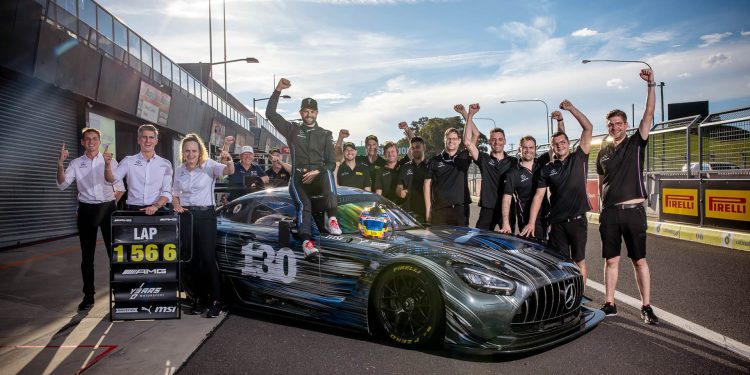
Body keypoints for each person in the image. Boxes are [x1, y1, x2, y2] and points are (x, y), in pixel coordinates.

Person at [597, 69, 659, 325]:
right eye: (611, 124)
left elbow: (649, 113)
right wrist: (602, 208)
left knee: (638, 260)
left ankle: (646, 306)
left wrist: (651, 85)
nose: (615, 127)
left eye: (619, 123)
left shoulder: (636, 143)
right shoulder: (602, 151)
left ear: (626, 125)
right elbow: (602, 182)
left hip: (633, 212)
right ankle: (610, 303)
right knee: (611, 260)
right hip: (610, 213)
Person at [265, 78, 341, 260]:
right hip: (298, 180)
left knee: (328, 172)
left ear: (317, 113)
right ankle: (307, 243)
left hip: (318, 179)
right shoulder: (292, 129)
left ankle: (332, 218)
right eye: (305, 111)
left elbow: (331, 162)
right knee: (304, 206)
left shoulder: (325, 134)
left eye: (312, 111)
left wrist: (318, 171)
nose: (309, 114)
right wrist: (278, 90)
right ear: (300, 112)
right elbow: (270, 113)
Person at [521, 100, 593, 286]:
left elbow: (588, 128)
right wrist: (530, 222)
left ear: (569, 143)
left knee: (579, 261)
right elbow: (538, 197)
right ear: (551, 147)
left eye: (563, 142)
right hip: (557, 223)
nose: (559, 145)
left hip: (577, 220)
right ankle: (565, 299)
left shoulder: (579, 158)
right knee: (561, 263)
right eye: (555, 144)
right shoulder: (546, 169)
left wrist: (570, 109)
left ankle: (580, 298)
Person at [57, 128, 125, 311]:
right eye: (87, 139)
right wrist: (60, 163)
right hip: (86, 210)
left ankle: (119, 294)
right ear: (82, 142)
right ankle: (88, 296)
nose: (91, 142)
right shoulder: (76, 163)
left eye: (95, 139)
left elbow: (119, 187)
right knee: (87, 257)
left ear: (99, 141)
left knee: (114, 254)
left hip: (108, 207)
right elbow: (63, 185)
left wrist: (109, 204)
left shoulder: (109, 161)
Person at [172, 133, 234, 318]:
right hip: (186, 216)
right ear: (182, 152)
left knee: (207, 258)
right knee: (192, 259)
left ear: (200, 151)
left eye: (194, 150)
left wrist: (229, 160)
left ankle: (215, 300)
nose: (191, 154)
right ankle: (199, 299)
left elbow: (229, 170)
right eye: (187, 150)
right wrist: (176, 204)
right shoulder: (180, 170)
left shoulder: (210, 166)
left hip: (206, 215)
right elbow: (174, 192)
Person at [500, 112, 565, 238]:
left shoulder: (541, 163)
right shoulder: (512, 173)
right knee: (534, 253)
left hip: (547, 215)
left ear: (535, 149)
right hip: (527, 219)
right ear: (520, 149)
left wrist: (559, 121)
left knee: (550, 251)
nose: (528, 150)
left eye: (531, 147)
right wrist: (506, 223)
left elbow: (559, 142)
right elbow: (507, 199)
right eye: (525, 147)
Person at [458, 103, 517, 231]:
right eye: (494, 139)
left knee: (509, 245)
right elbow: (468, 141)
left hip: (507, 209)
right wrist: (469, 115)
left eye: (500, 139)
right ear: (489, 142)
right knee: (479, 241)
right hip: (488, 208)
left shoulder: (513, 161)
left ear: (505, 141)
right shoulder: (484, 158)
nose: (497, 142)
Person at [104, 124, 172, 214]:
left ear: (156, 141)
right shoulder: (128, 161)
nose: (148, 140)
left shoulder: (165, 164)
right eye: (144, 137)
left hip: (157, 210)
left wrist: (155, 206)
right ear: (139, 140)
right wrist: (107, 165)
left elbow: (167, 191)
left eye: (151, 137)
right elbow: (111, 179)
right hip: (133, 210)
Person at [424, 126, 471, 226]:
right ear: (444, 140)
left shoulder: (464, 156)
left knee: (461, 240)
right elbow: (426, 185)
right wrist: (428, 210)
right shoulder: (434, 161)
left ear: (459, 141)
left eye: (454, 139)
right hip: (439, 210)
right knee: (439, 241)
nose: (451, 141)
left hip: (461, 209)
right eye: (449, 138)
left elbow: (475, 135)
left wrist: (468, 115)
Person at [397, 136, 429, 222]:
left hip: (427, 212)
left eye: (418, 147)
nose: (415, 150)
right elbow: (399, 187)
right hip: (408, 214)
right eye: (413, 148)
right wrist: (400, 193)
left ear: (424, 147)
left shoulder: (431, 166)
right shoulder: (405, 167)